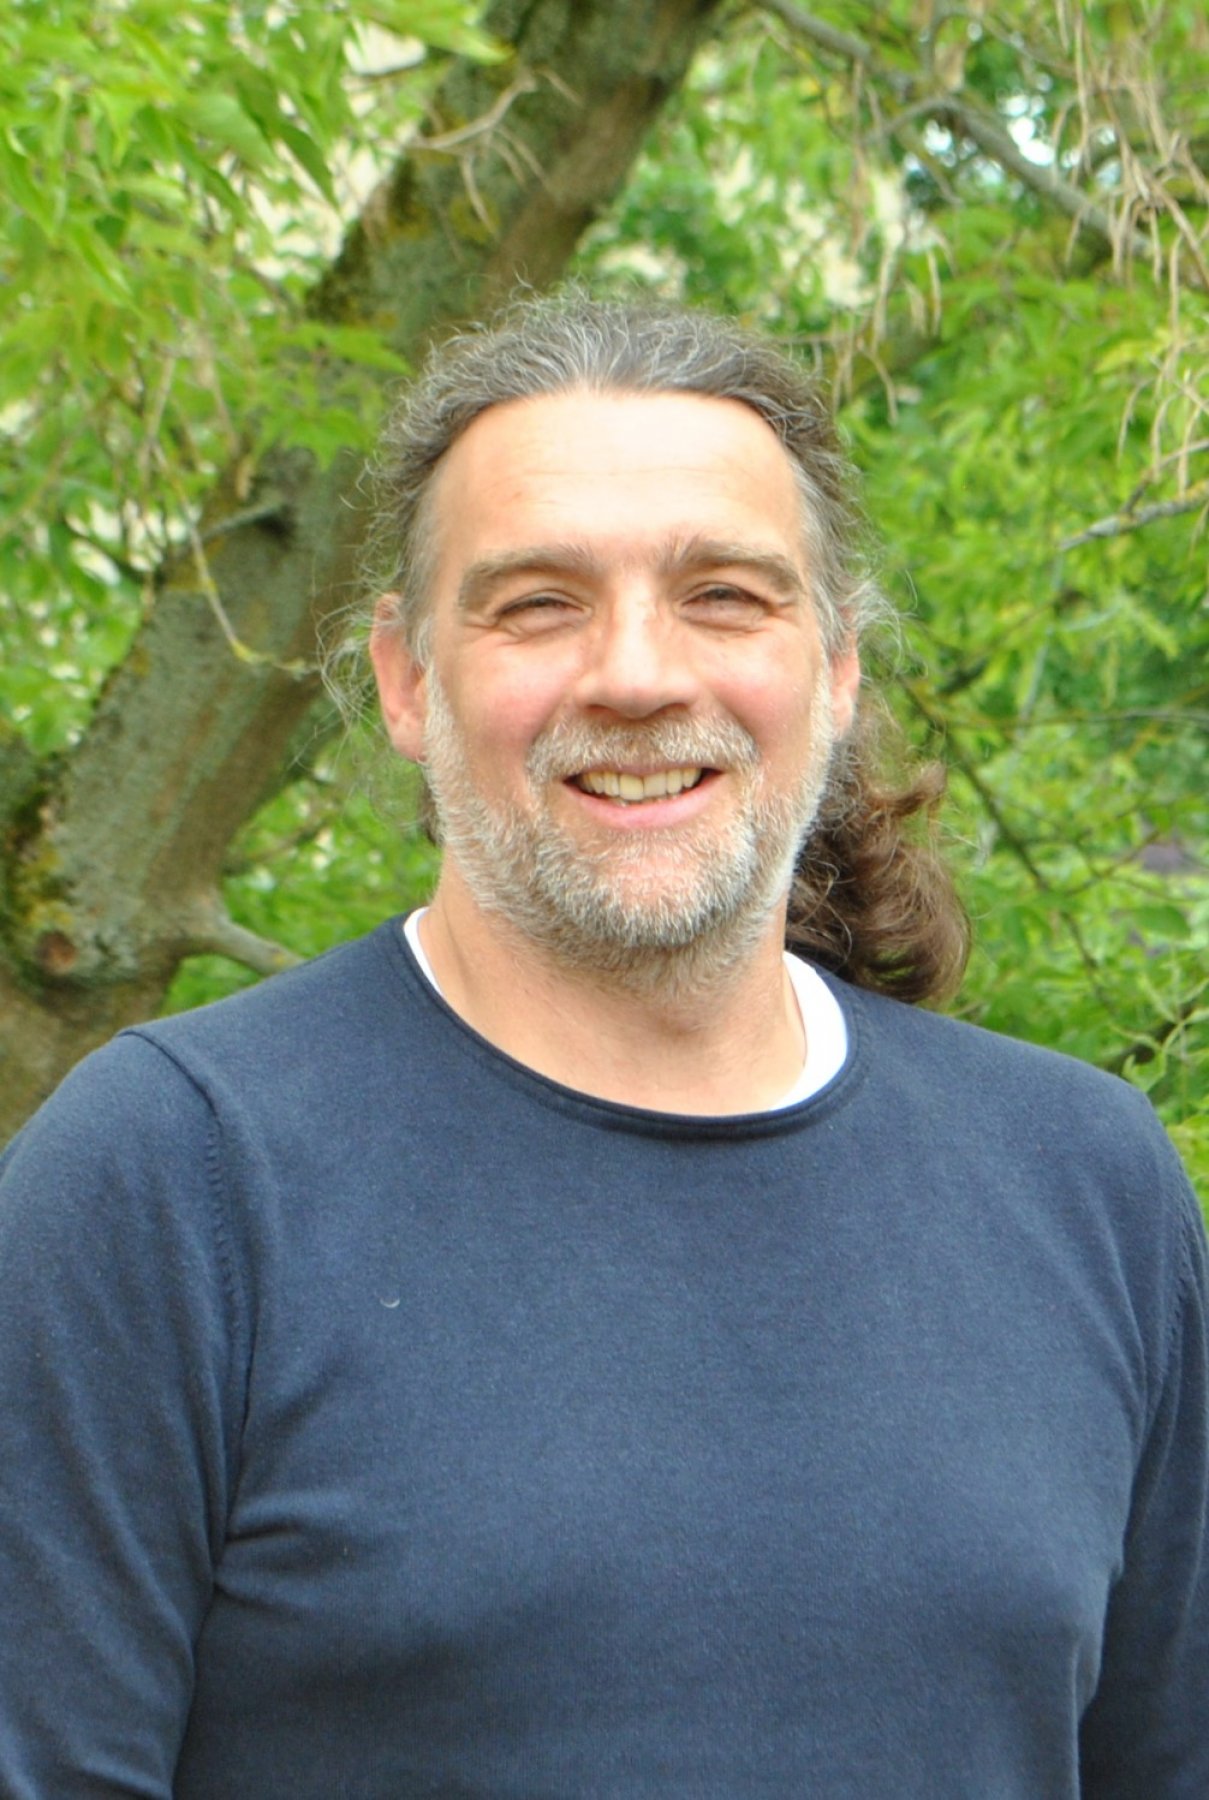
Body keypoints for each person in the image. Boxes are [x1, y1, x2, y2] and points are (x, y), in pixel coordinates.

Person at [0, 294, 1205, 1799]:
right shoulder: (169, 1183)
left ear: (836, 667)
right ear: (406, 680)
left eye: (724, 596)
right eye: (538, 603)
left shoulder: (1088, 1187)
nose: (636, 674)